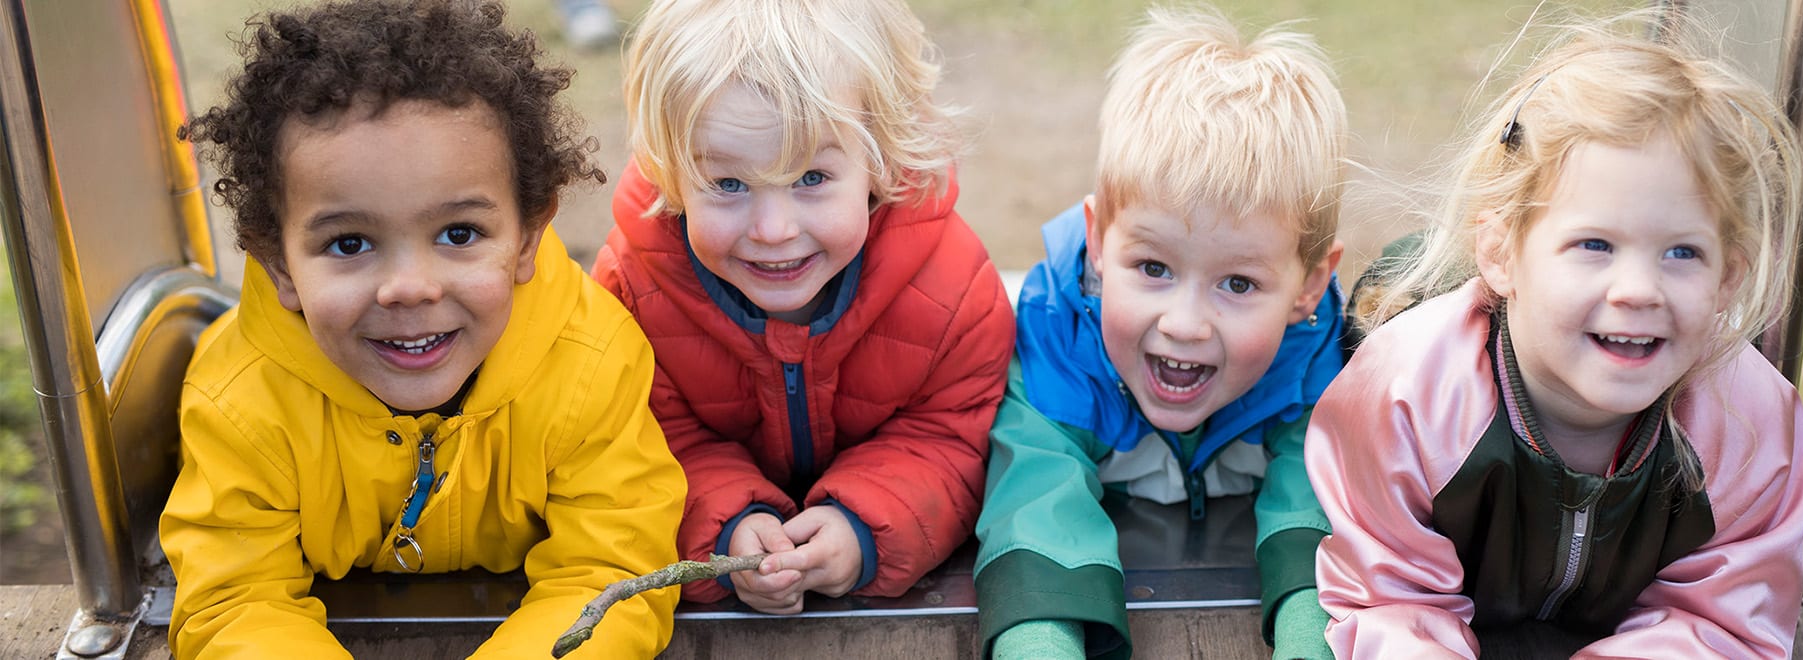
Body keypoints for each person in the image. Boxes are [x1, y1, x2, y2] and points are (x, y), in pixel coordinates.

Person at [162, 1, 687, 656]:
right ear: (280, 264)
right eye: (350, 243)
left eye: (458, 233)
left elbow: (611, 575)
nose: (410, 287)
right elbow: (236, 602)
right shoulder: (241, 404)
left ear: (527, 237)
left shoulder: (590, 364)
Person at [1307, 13, 1803, 658]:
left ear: (1728, 279)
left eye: (1682, 253)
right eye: (1595, 244)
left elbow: (1721, 622)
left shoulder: (1748, 425)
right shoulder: (1406, 395)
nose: (1639, 289)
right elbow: (1390, 599)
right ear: (1500, 254)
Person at [593, 0, 1013, 613]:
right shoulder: (631, 293)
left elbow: (948, 437)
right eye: (728, 184)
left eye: (811, 178)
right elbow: (643, 444)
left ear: (879, 158)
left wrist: (865, 527)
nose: (774, 230)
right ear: (671, 174)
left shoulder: (952, 291)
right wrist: (726, 528)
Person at [971, 6, 1350, 658]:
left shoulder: (1314, 358)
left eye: (1238, 284)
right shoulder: (1059, 341)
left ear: (1308, 288)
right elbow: (1035, 512)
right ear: (1097, 243)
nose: (1183, 323)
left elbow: (1317, 508)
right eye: (1153, 268)